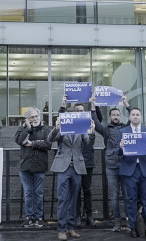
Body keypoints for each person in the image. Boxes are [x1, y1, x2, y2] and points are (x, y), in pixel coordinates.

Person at [48, 102, 96, 241]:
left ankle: (71, 228)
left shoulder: (81, 127)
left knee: (74, 199)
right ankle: (61, 230)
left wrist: (91, 131)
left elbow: (88, 142)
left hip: (77, 167)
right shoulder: (63, 126)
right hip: (63, 166)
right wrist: (56, 128)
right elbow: (50, 139)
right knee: (63, 199)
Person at [90, 95, 133, 232]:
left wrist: (126, 102)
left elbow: (133, 115)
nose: (115, 117)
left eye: (117, 115)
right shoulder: (106, 129)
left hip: (125, 165)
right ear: (110, 116)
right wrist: (93, 104)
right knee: (114, 196)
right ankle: (117, 222)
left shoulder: (125, 128)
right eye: (113, 115)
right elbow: (95, 121)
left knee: (127, 196)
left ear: (120, 116)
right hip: (111, 166)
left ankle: (129, 221)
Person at [117, 107, 146, 238]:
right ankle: (133, 227)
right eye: (133, 115)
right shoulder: (123, 132)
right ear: (129, 117)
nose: (135, 117)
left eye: (137, 115)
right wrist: (120, 147)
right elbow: (118, 153)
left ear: (141, 117)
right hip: (130, 170)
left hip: (145, 169)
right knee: (131, 200)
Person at [59, 98, 101, 227]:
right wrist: (62, 105)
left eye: (82, 111)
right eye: (78, 111)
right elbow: (61, 119)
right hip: (73, 161)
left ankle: (89, 216)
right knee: (75, 191)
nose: (80, 113)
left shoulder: (87, 122)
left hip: (87, 161)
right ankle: (76, 216)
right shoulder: (70, 124)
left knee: (87, 190)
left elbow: (98, 118)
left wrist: (94, 105)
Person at [15, 107, 52, 228]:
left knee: (39, 193)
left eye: (36, 116)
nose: (35, 118)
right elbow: (19, 140)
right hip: (25, 166)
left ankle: (39, 217)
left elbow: (48, 143)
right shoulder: (22, 128)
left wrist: (33, 144)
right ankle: (29, 217)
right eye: (32, 117)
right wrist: (28, 130)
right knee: (28, 193)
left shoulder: (46, 129)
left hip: (40, 166)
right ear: (27, 119)